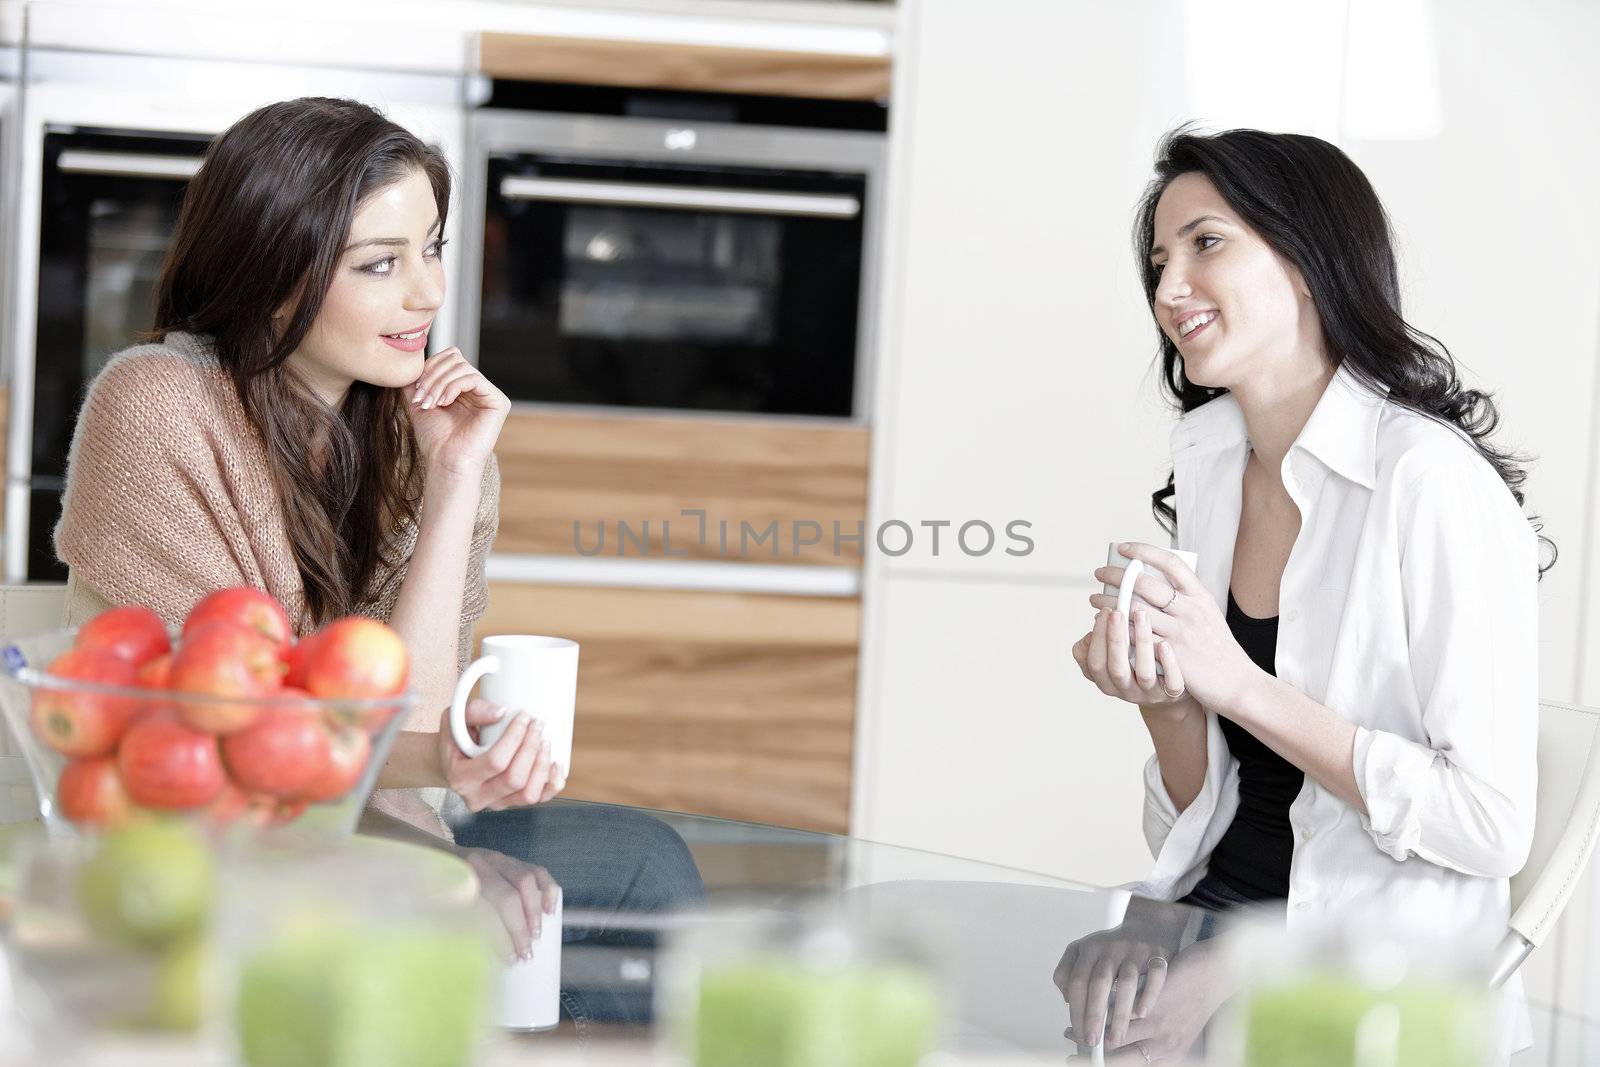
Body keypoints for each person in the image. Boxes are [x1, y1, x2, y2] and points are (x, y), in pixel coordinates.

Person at [54, 97, 703, 1024]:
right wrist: (434, 861)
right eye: (381, 264)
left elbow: (421, 735)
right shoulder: (159, 406)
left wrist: (452, 484)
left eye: (431, 248)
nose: (430, 295)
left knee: (647, 862)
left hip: (367, 828)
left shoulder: (419, 434)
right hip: (211, 856)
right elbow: (225, 750)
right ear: (275, 271)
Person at [1060, 127, 1549, 1060]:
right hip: (1215, 916)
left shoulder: (1428, 481)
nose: (1168, 290)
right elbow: (1212, 813)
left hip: (1355, 969)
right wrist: (1168, 707)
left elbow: (1489, 827)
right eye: (1160, 261)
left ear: (1308, 256)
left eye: (1207, 244)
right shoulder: (1209, 459)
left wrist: (1235, 682)